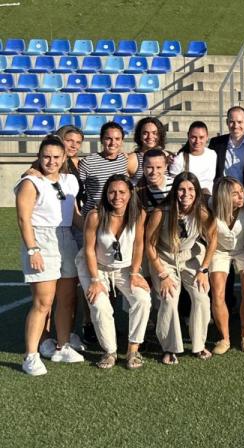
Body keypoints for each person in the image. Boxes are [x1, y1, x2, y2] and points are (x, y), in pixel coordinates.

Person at [18, 136, 83, 375]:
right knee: (43, 302)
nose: (51, 161)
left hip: (66, 238)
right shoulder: (30, 181)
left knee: (66, 299)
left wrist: (92, 229)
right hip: (41, 240)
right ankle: (31, 355)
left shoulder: (69, 180)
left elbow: (73, 215)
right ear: (39, 156)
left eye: (56, 157)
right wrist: (33, 249)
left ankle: (62, 345)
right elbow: (24, 219)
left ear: (64, 158)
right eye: (46, 156)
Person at [77, 174, 150, 369]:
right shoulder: (95, 216)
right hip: (95, 267)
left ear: (130, 193)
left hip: (124, 268)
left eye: (121, 192)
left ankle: (133, 350)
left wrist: (135, 273)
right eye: (112, 192)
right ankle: (110, 351)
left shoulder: (139, 213)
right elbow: (89, 250)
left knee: (142, 298)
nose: (117, 196)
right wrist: (94, 279)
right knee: (100, 305)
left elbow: (138, 245)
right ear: (106, 194)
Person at [145, 172, 217, 364]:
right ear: (175, 190)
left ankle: (199, 345)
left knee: (201, 295)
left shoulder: (201, 212)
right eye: (182, 189)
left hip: (190, 256)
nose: (186, 194)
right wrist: (162, 274)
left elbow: (212, 240)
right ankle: (169, 347)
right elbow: (149, 245)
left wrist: (204, 270)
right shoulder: (161, 212)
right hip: (164, 257)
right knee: (169, 298)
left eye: (191, 189)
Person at [209, 177, 244, 353]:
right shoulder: (210, 205)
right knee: (218, 293)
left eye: (241, 191)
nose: (241, 196)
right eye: (235, 193)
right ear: (223, 196)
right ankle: (224, 338)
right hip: (219, 250)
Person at [78, 121, 136, 217]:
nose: (113, 143)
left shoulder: (124, 159)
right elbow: (79, 191)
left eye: (117, 139)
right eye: (108, 138)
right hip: (95, 216)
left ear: (122, 141)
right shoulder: (88, 162)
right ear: (101, 140)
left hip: (118, 215)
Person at [209, 105, 244, 182]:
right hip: (222, 192)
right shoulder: (216, 143)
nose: (236, 126)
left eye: (240, 122)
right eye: (232, 122)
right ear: (227, 122)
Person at [169, 121, 217, 194]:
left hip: (209, 201)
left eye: (201, 137)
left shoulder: (212, 154)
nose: (197, 141)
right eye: (193, 137)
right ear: (188, 136)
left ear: (207, 137)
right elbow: (173, 185)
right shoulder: (179, 159)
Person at [131, 117, 172, 186]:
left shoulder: (169, 156)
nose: (150, 136)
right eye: (145, 133)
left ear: (160, 135)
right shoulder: (132, 159)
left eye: (154, 133)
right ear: (139, 135)